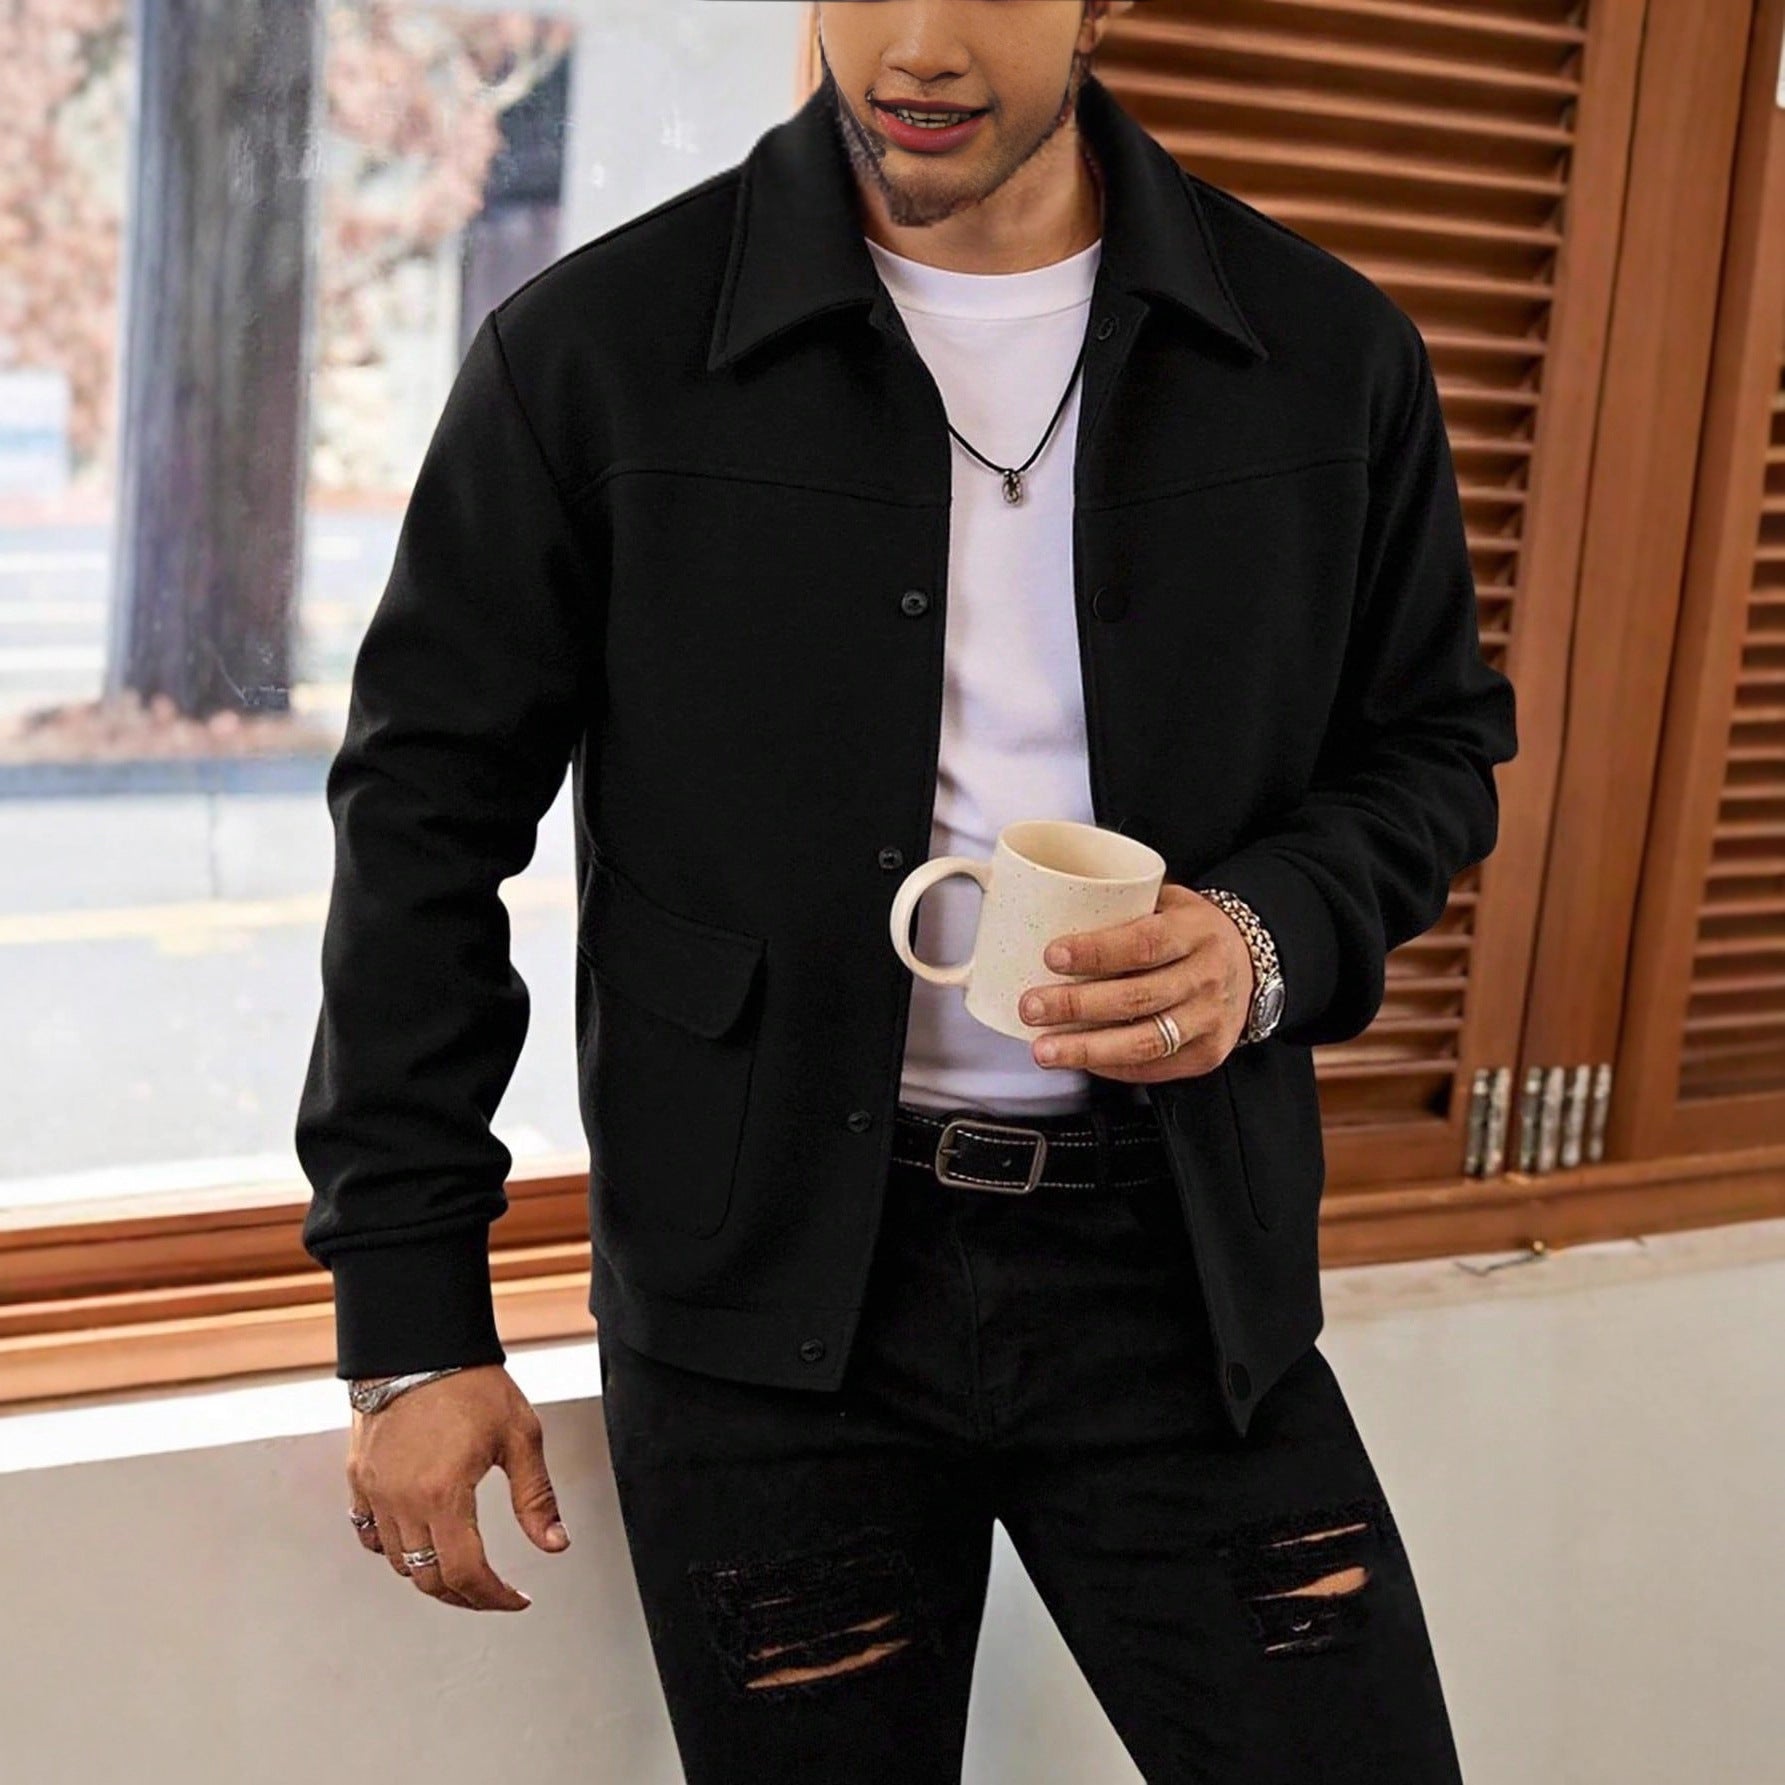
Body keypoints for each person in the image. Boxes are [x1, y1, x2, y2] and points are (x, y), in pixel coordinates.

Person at [296, 2, 1517, 1779]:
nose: (920, 47)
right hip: (764, 1301)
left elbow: (1432, 750)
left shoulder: (1321, 355)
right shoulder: (600, 350)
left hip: (1175, 1284)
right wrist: (408, 1326)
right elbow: (421, 816)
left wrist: (1262, 939)